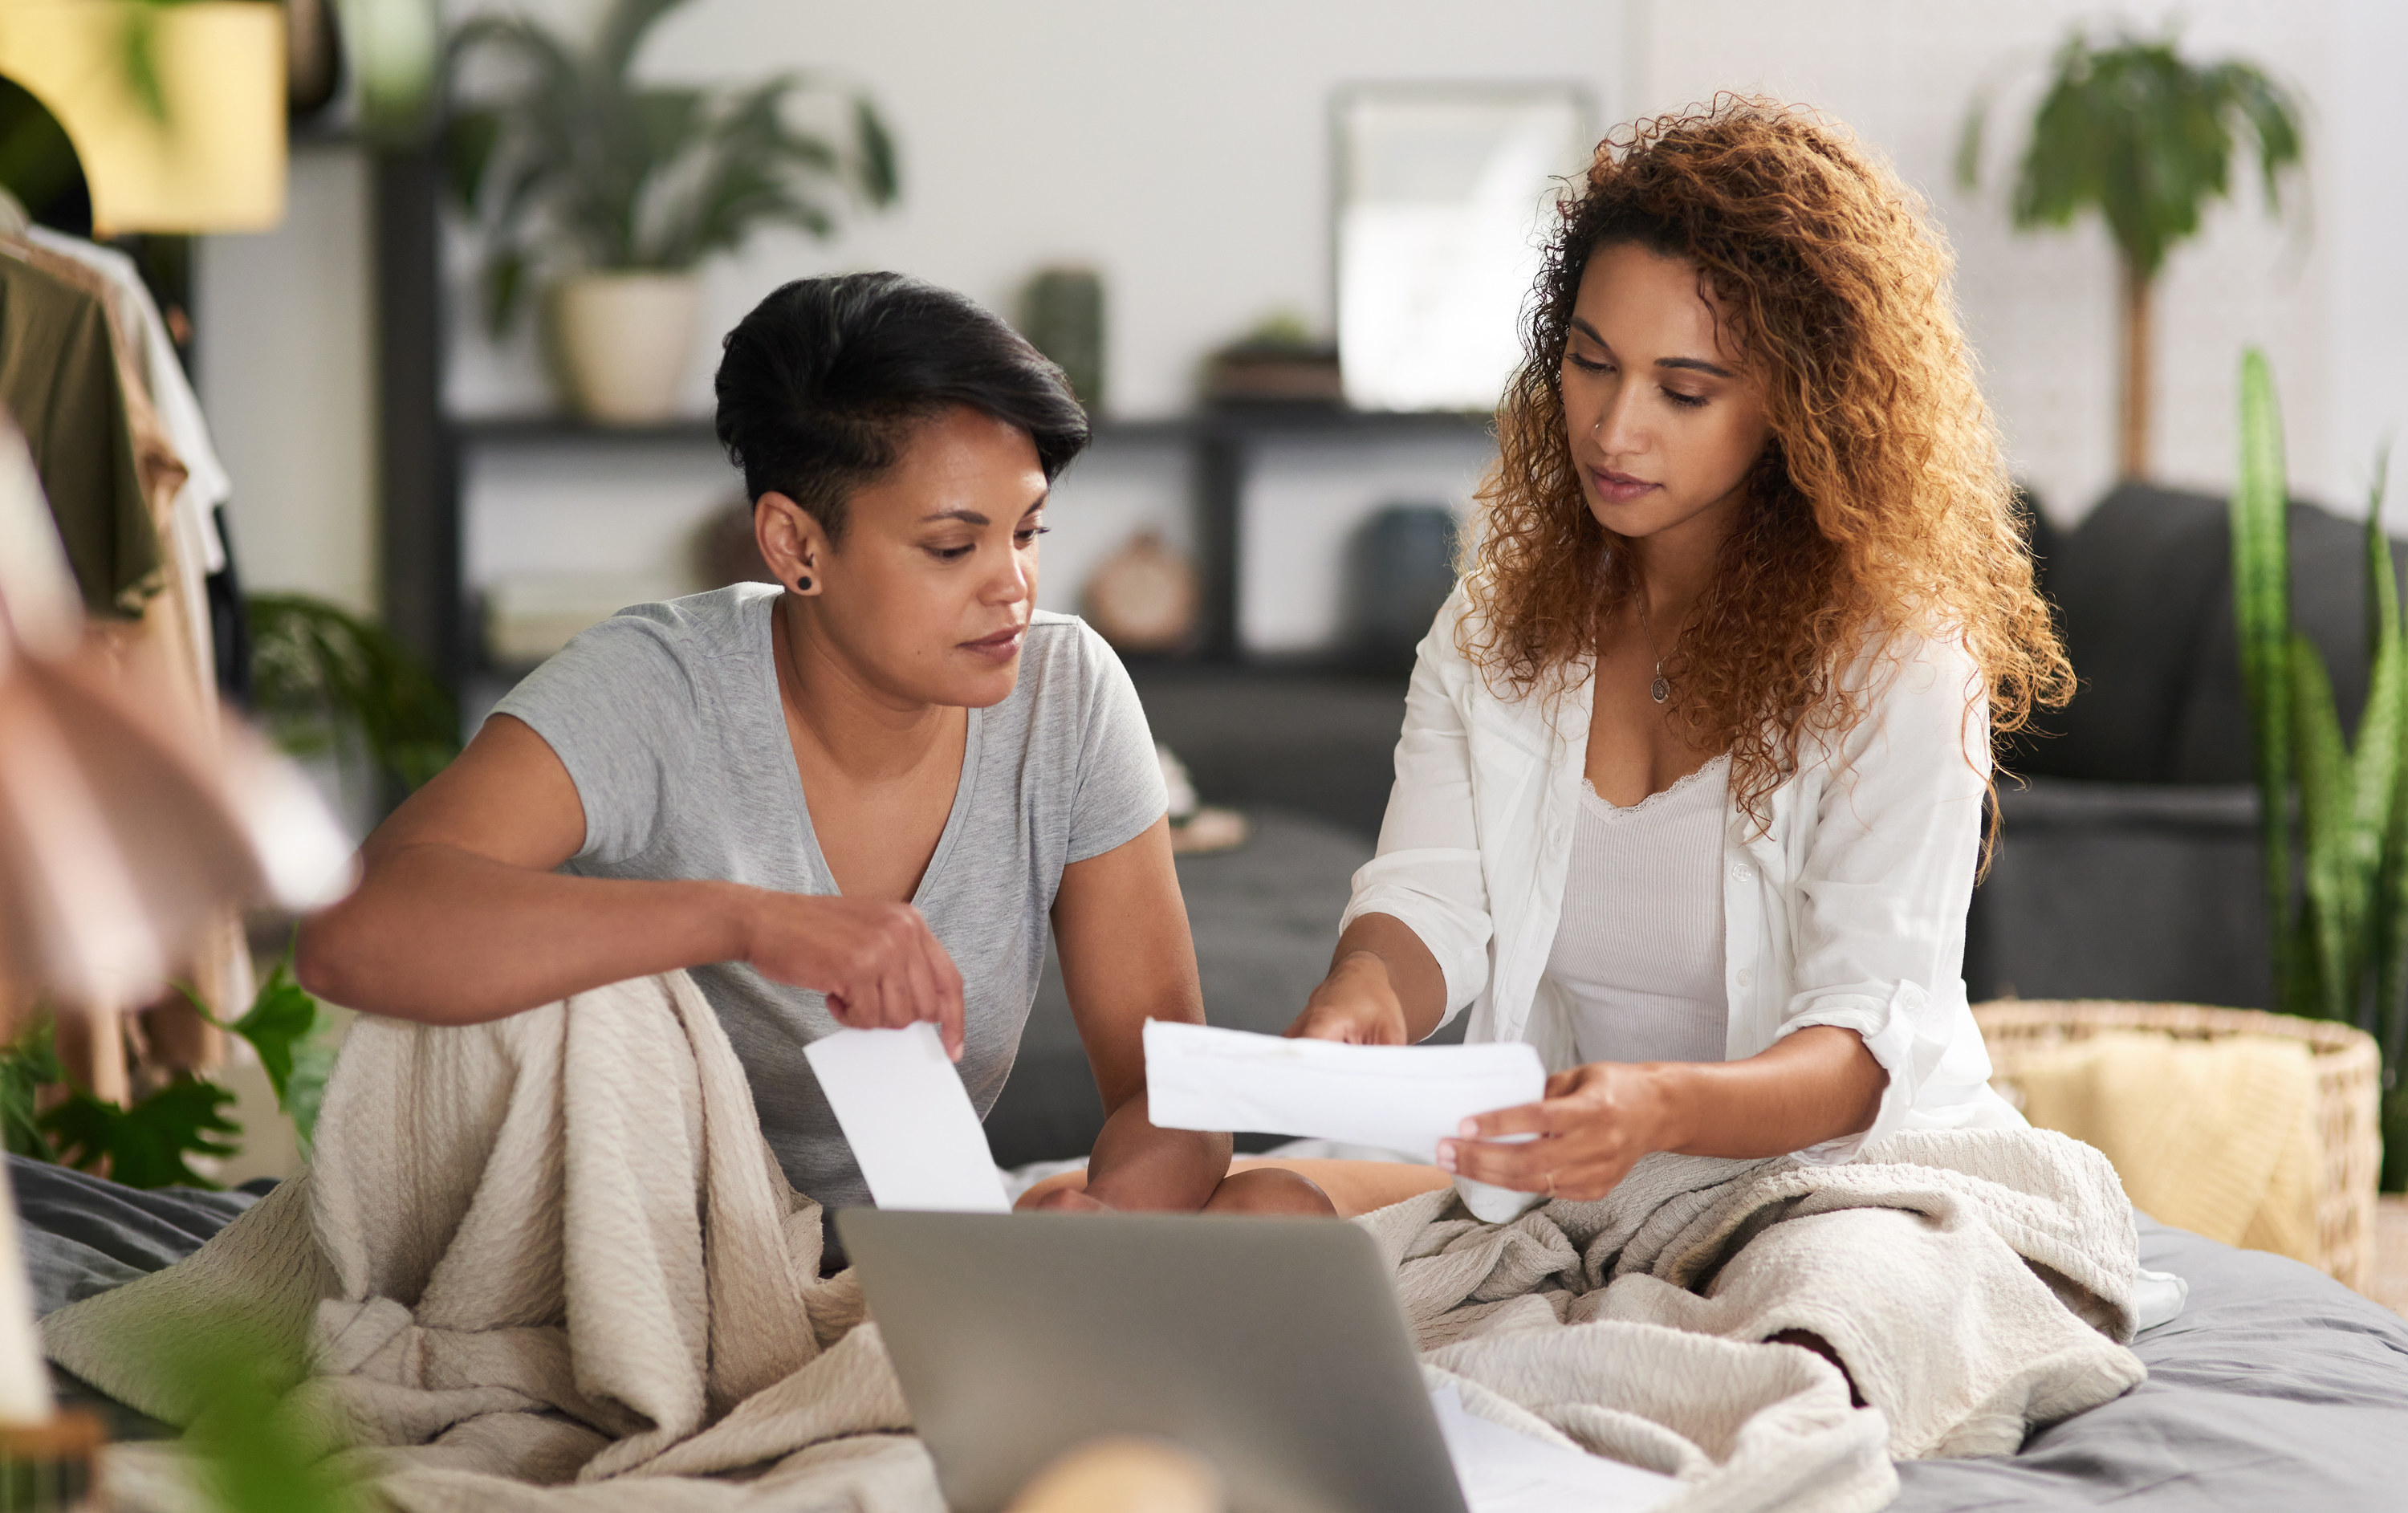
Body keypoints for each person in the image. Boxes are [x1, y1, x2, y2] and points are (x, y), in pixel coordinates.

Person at [298, 271, 1332, 1235]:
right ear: (796, 546)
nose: (1011, 586)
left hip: (916, 1259)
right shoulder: (657, 686)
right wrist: (749, 922)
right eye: (950, 546)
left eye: (1028, 532)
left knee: (1283, 1215)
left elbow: (1171, 1091)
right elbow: (353, 933)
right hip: (643, 1253)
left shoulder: (1068, 693)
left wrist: (1109, 1223)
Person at [1285, 98, 2070, 1214]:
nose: (1614, 429)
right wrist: (1364, 990)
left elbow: (1860, 1045)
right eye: (1591, 365)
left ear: (1801, 405)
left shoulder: (1897, 659)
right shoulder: (1495, 622)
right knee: (1246, 1222)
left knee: (1802, 1337)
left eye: (1684, 390)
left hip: (1842, 1186)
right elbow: (1433, 896)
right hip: (1578, 1181)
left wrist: (1655, 1108)